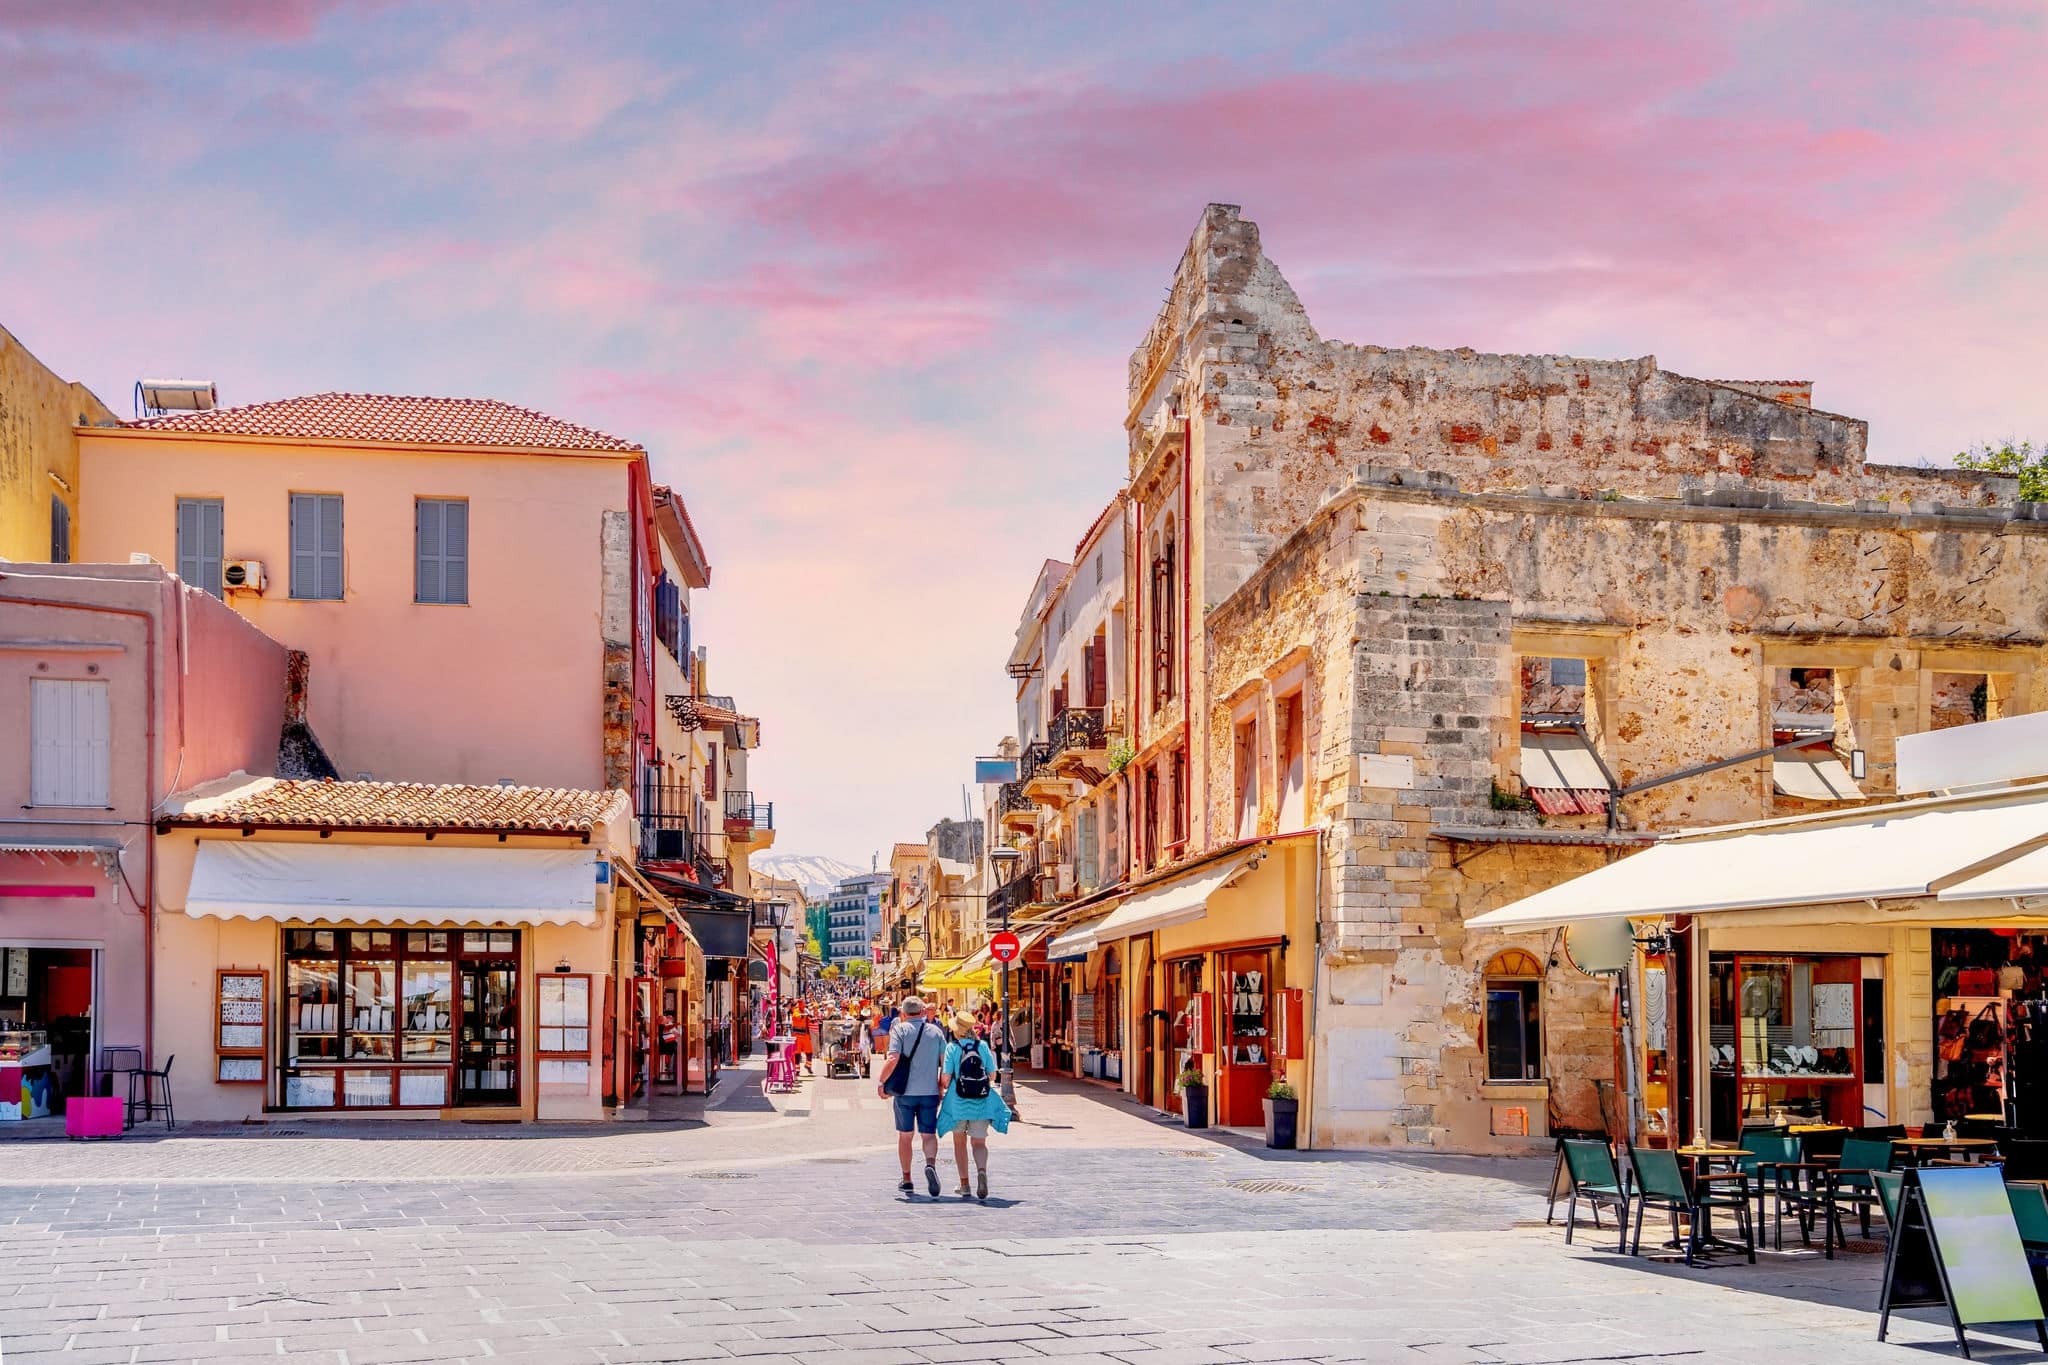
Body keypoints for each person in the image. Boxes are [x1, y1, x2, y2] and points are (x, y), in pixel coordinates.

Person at [875, 995, 947, 1197]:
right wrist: (941, 1085)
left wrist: (882, 1082)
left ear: (904, 1014)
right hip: (929, 1092)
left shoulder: (900, 1029)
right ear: (923, 1012)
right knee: (928, 1135)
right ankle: (930, 1164)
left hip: (904, 1092)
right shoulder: (936, 1032)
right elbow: (945, 1062)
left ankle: (907, 1179)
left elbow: (893, 1058)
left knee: (905, 1136)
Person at [938, 1011, 1011, 1202]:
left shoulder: (952, 1048)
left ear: (957, 1031)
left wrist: (946, 1084)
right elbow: (993, 1075)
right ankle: (981, 1171)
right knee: (979, 1143)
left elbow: (945, 1079)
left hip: (958, 1102)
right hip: (981, 1101)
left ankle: (964, 1185)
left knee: (959, 1143)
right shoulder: (983, 1046)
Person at [790, 1000, 814, 1077]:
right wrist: (806, 1015)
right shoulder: (796, 1011)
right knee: (797, 1053)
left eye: (804, 1004)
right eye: (802, 1004)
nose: (803, 1006)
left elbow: (809, 1019)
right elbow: (799, 1017)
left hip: (806, 1035)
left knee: (809, 1052)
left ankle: (808, 1065)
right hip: (797, 1036)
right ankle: (797, 1070)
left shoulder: (805, 1010)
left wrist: (812, 1019)